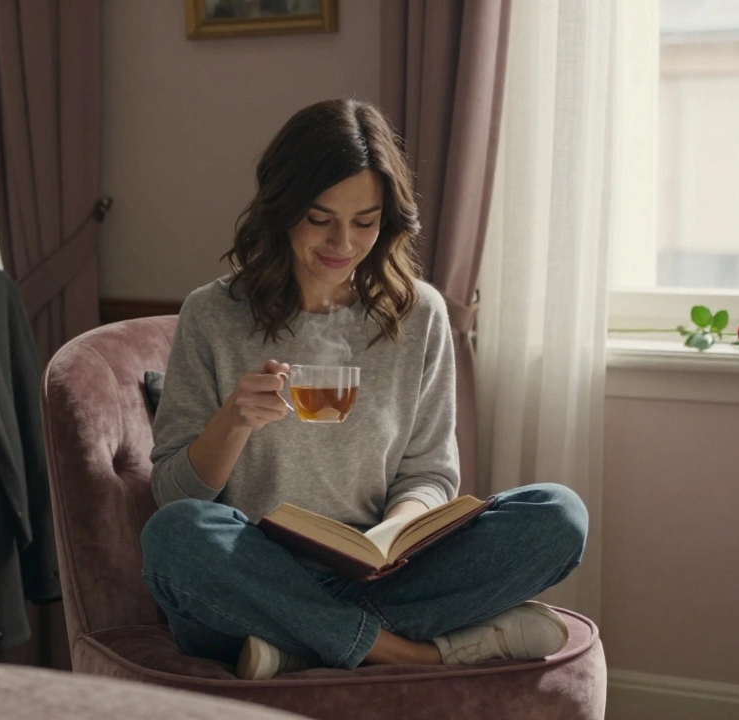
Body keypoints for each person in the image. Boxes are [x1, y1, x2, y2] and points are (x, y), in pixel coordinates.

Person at [141, 98, 587, 680]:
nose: (342, 243)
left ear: (388, 220)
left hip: (380, 572)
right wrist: (234, 421)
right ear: (282, 209)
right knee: (176, 538)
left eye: (365, 221)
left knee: (559, 515)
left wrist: (395, 533)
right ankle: (412, 653)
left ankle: (301, 642)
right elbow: (175, 499)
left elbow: (429, 474)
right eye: (319, 218)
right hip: (255, 570)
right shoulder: (212, 314)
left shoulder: (417, 313)